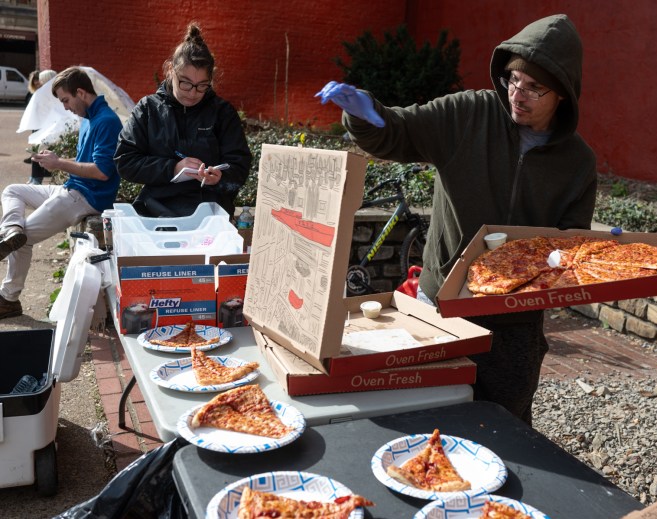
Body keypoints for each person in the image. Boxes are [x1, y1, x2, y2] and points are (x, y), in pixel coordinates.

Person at [317, 14, 596, 426]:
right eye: (514, 80)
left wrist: (554, 271)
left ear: (563, 95)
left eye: (535, 88)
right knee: (432, 417)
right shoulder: (468, 113)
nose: (518, 95)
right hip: (443, 305)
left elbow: (574, 247)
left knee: (505, 425)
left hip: (515, 320)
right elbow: (399, 130)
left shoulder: (577, 162)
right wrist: (367, 115)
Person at [0, 66, 123, 319]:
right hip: (72, 187)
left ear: (81, 92)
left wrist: (59, 163)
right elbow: (84, 164)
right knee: (12, 190)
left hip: (87, 198)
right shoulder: (90, 118)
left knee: (23, 241)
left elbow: (102, 171)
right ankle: (11, 229)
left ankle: (8, 299)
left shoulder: (106, 121)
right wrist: (56, 161)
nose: (66, 107)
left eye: (66, 100)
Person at [114, 22, 251, 218]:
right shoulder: (148, 109)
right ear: (170, 70)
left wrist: (220, 178)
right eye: (185, 83)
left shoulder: (222, 112)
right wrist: (172, 168)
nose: (193, 93)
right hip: (156, 209)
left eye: (202, 85)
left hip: (210, 211)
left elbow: (240, 163)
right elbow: (125, 161)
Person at [26, 69, 58, 185]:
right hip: (40, 127)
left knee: (42, 153)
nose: (39, 82)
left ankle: (36, 179)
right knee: (37, 152)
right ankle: (35, 178)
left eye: (41, 80)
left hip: (49, 129)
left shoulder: (53, 95)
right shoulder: (44, 93)